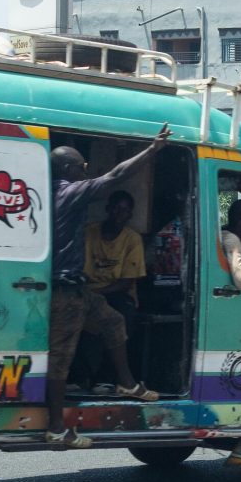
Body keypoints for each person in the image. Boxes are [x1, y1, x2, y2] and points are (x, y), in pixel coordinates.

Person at [46, 129, 168, 436]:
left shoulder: (46, 194)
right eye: (81, 169)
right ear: (67, 170)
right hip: (64, 290)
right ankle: (57, 428)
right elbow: (116, 175)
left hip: (78, 289)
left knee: (113, 322)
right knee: (60, 359)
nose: (85, 173)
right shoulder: (68, 192)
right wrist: (152, 150)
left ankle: (127, 383)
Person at [79, 188, 148, 391]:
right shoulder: (89, 232)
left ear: (130, 215)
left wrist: (96, 294)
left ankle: (107, 377)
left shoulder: (132, 239)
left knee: (122, 319)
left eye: (125, 211)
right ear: (108, 209)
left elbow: (126, 282)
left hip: (116, 293)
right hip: (86, 291)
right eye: (116, 209)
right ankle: (79, 377)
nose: (119, 214)